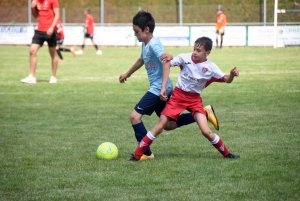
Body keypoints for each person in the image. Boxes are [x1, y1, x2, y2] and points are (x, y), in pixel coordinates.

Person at [119, 11, 219, 161]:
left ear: (146, 29)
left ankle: (145, 153)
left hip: (159, 88)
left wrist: (168, 63)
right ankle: (203, 113)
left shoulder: (154, 44)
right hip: (160, 88)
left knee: (134, 117)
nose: (135, 34)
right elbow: (142, 59)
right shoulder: (145, 44)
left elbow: (165, 58)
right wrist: (128, 73)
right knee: (169, 125)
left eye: (136, 31)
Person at [129, 37, 240, 161]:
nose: (195, 52)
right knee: (160, 127)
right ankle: (137, 155)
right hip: (177, 97)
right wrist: (163, 86)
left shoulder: (211, 68)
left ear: (207, 53)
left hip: (194, 100)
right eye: (194, 49)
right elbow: (167, 63)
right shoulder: (184, 58)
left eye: (199, 50)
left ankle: (228, 154)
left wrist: (232, 75)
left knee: (206, 131)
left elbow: (226, 79)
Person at [21, 0, 60, 84]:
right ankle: (32, 77)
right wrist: (32, 8)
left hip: (50, 30)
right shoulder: (36, 1)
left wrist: (52, 27)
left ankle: (53, 77)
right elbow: (35, 16)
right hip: (39, 30)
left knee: (53, 53)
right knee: (32, 51)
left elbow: (57, 14)